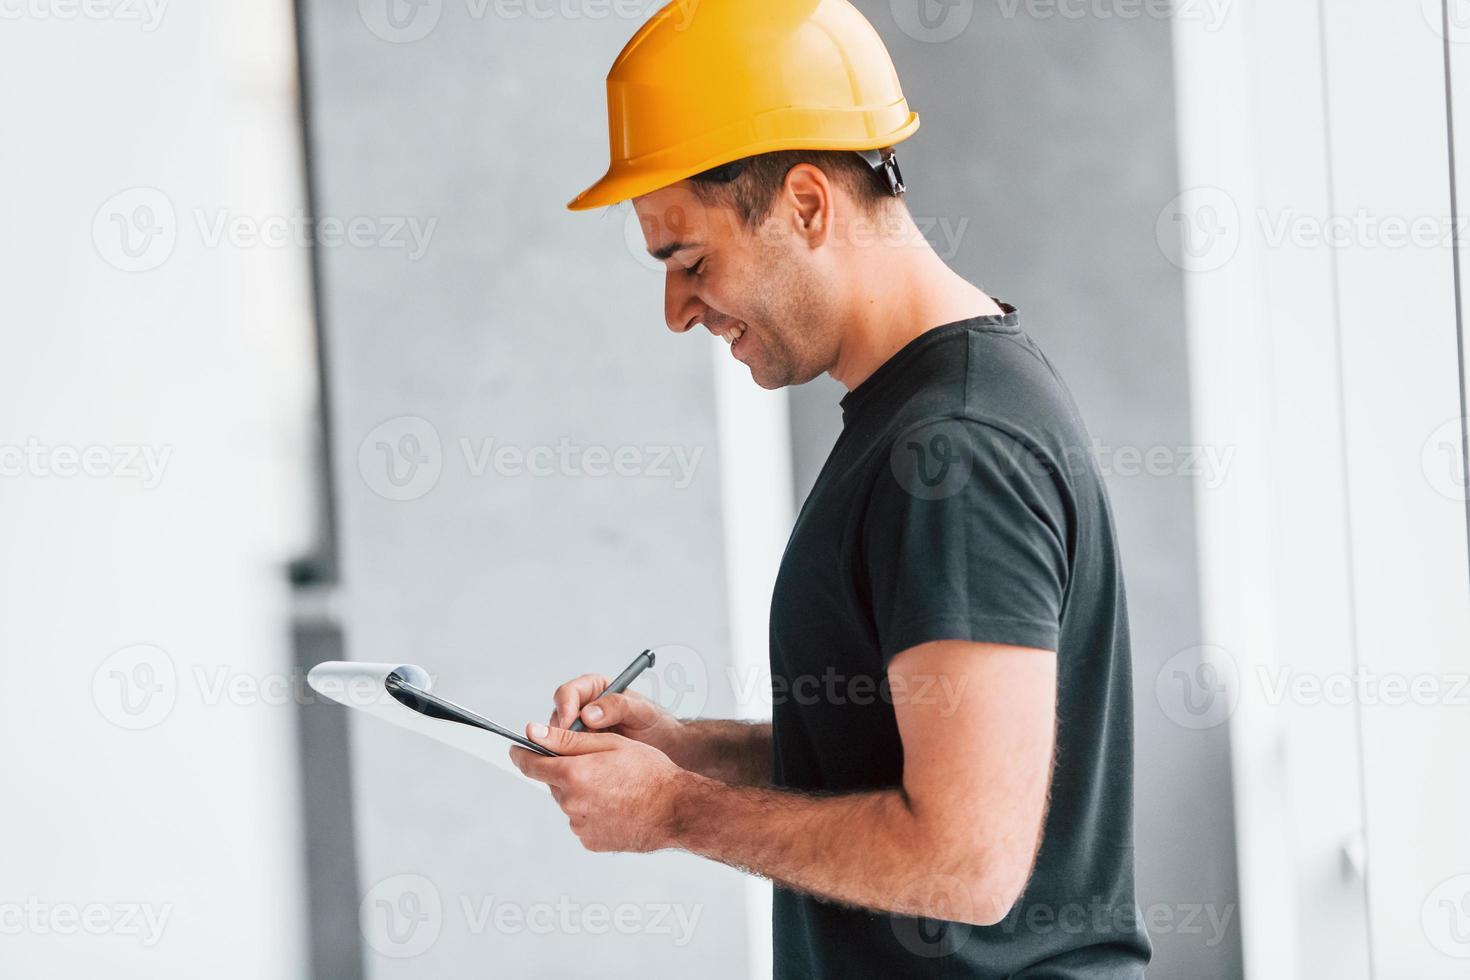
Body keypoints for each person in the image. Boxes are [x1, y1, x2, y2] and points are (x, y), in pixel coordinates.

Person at [510, 0, 1152, 975]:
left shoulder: (955, 449)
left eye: (690, 260)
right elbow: (894, 750)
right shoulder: (918, 417)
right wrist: (688, 749)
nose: (677, 310)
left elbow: (966, 858)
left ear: (807, 203)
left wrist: (675, 810)